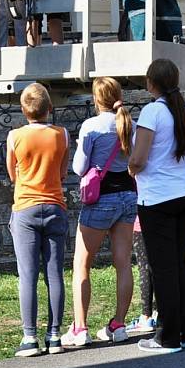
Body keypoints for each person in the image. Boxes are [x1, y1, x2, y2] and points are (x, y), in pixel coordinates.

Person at [128, 59, 185, 354]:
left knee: (164, 269)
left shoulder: (152, 111)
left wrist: (132, 168)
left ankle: (167, 336)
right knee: (180, 264)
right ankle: (184, 331)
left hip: (157, 197)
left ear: (150, 83)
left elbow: (139, 157)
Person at [62, 77, 135, 347]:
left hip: (101, 198)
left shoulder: (91, 126)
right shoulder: (130, 124)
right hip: (128, 196)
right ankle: (118, 324)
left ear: (96, 99)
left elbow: (80, 168)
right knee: (123, 263)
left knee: (82, 263)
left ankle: (80, 328)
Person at [5, 83, 69, 357]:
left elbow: (12, 174)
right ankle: (54, 335)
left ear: (23, 110)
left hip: (26, 207)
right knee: (54, 274)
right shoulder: (62, 134)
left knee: (28, 275)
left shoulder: (14, 136)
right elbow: (64, 171)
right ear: (49, 108)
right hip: (55, 205)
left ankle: (29, 336)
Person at [125, 218, 157, 334]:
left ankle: (146, 317)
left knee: (145, 268)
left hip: (141, 223)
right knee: (161, 268)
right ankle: (160, 313)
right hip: (162, 222)